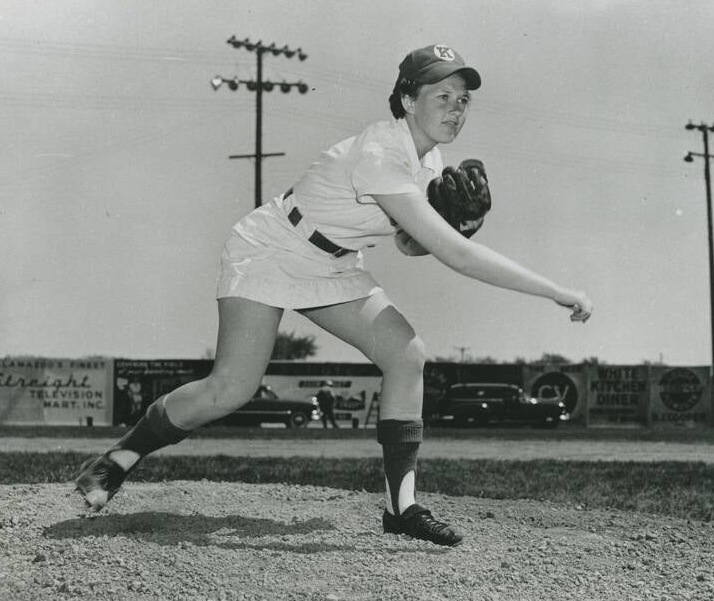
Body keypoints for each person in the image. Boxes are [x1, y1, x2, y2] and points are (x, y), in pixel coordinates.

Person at [75, 43, 592, 547]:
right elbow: (453, 256)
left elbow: (413, 246)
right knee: (231, 388)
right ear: (408, 100)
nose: (456, 109)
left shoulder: (431, 164)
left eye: (463, 99)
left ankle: (402, 507)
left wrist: (466, 224)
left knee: (406, 355)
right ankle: (119, 458)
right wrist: (556, 291)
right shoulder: (381, 154)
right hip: (271, 247)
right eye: (442, 96)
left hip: (334, 262)